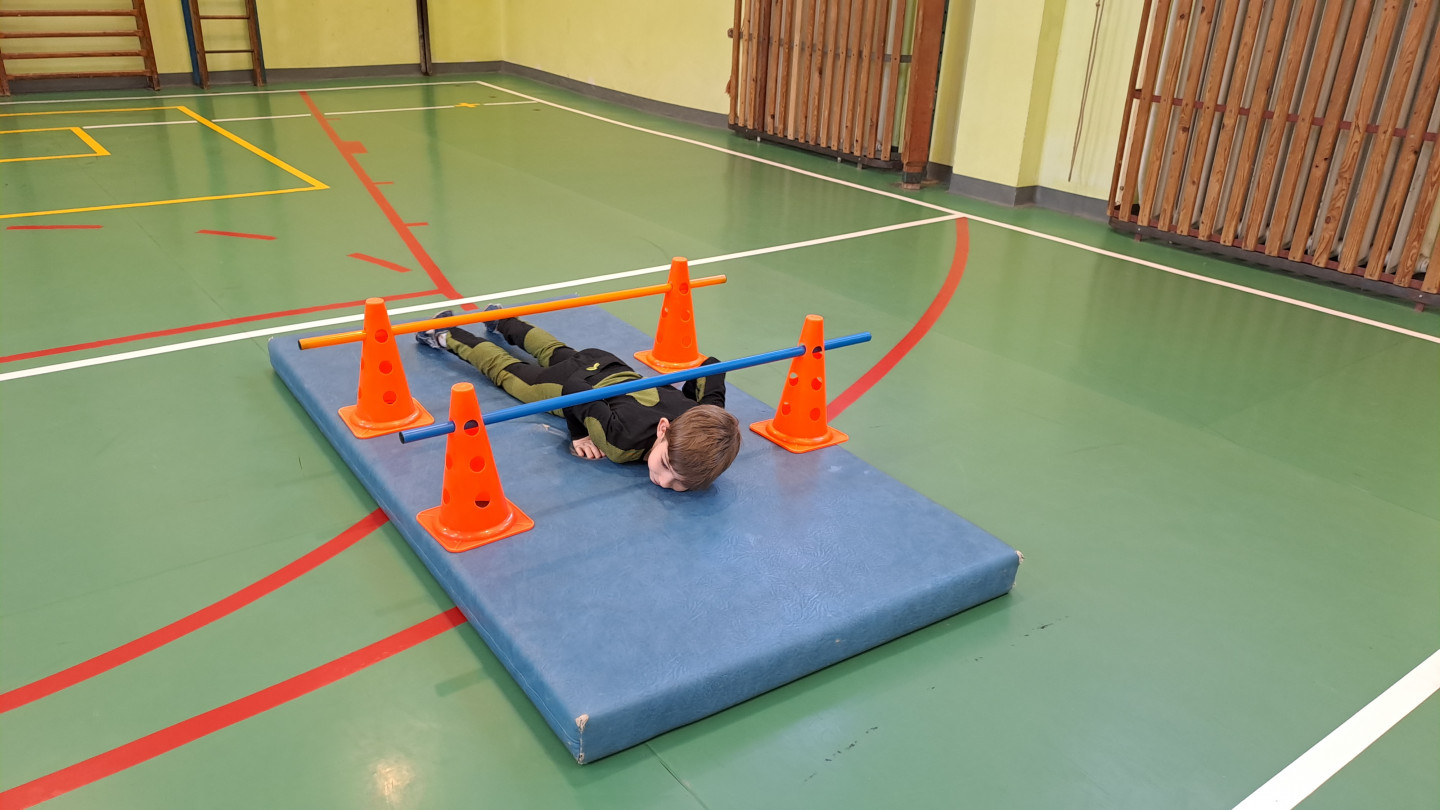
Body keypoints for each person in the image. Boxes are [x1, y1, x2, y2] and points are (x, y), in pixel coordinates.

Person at [415, 308, 741, 491]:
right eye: (666, 465)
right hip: (569, 386)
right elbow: (576, 392)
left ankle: (502, 319)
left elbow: (712, 368)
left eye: (682, 483)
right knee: (507, 371)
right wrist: (579, 434)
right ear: (663, 429)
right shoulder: (622, 443)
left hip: (605, 362)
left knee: (553, 350)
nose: (664, 481)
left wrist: (713, 415)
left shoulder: (702, 415)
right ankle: (445, 333)